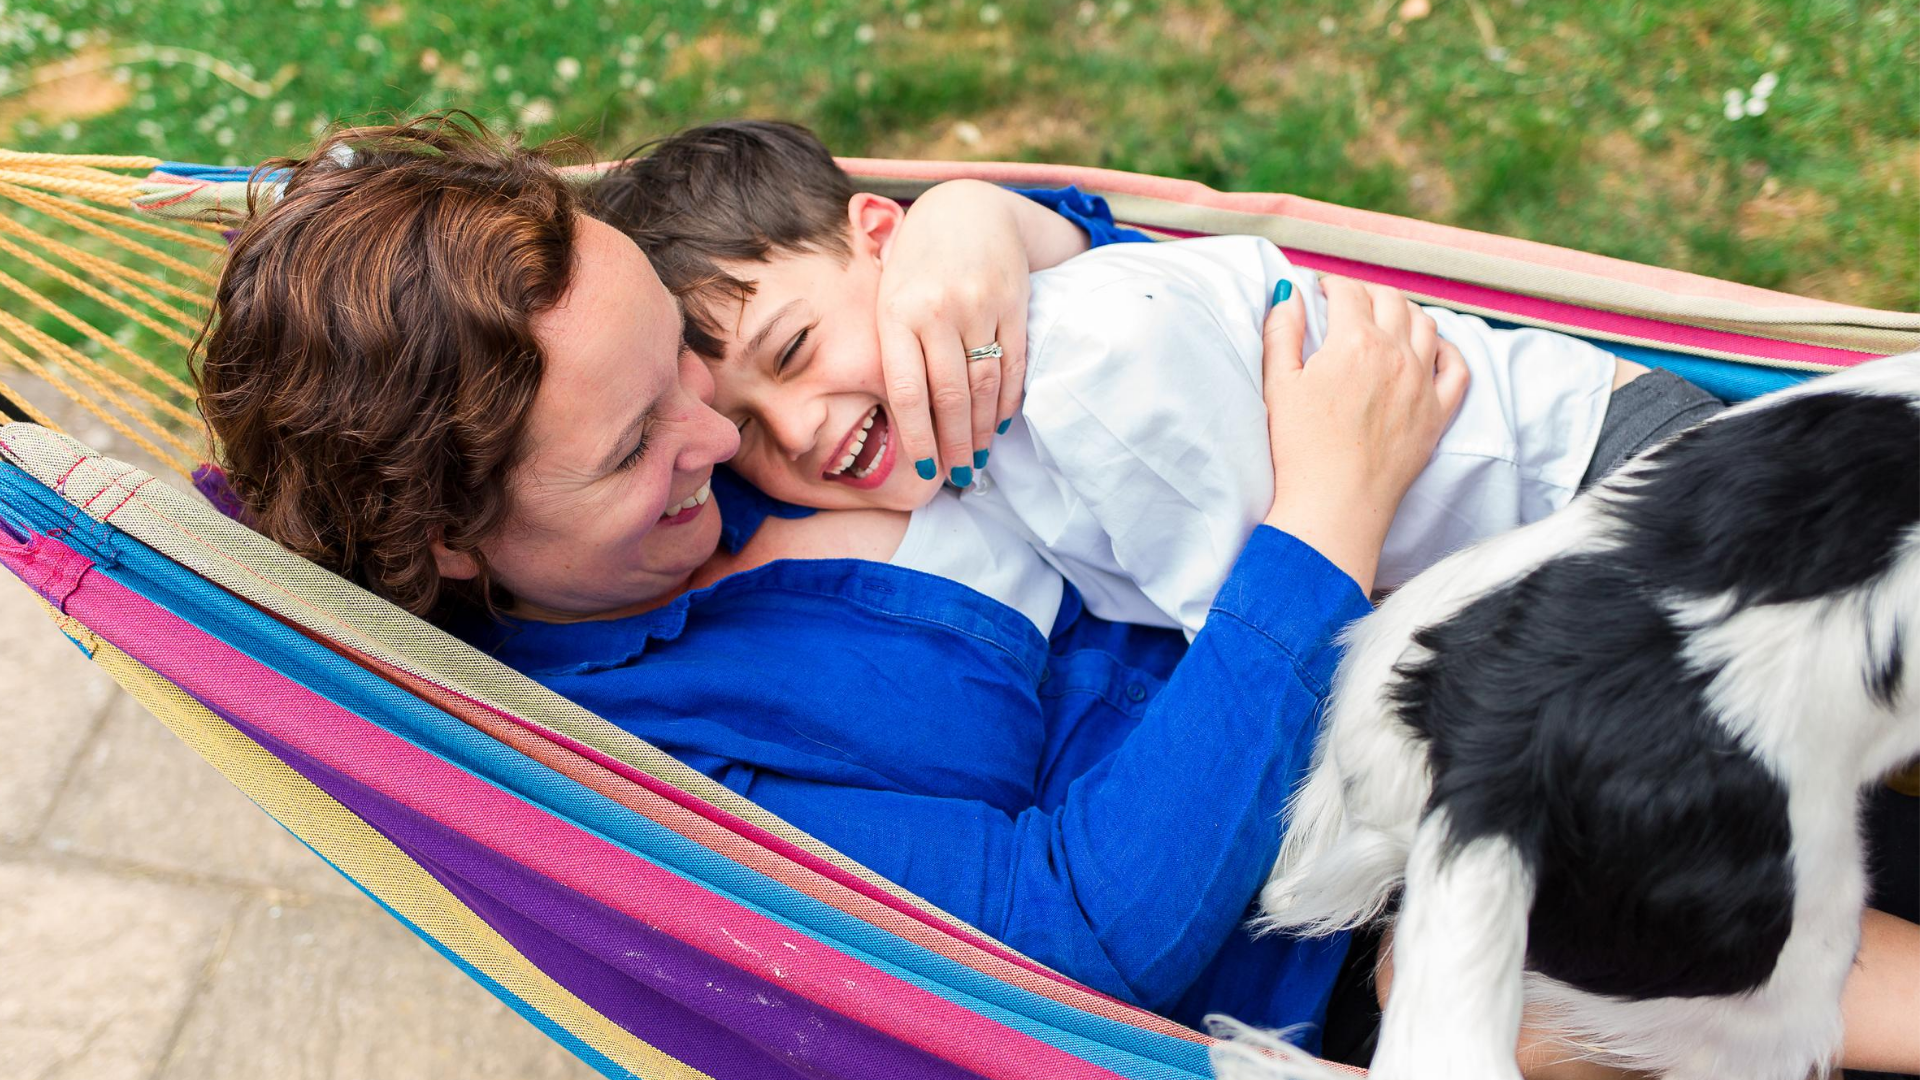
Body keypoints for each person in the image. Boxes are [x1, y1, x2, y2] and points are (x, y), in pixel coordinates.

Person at [194, 114, 1915, 1074]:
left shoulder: (756, 407)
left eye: (684, 366)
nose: (723, 435)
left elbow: (1068, 295)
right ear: (455, 544)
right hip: (1379, 906)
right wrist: (1323, 514)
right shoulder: (640, 759)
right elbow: (1074, 934)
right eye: (641, 440)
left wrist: (981, 225)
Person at [593, 121, 1731, 640]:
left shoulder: (1089, 377)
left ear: (889, 240)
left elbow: (1280, 645)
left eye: (793, 350)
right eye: (743, 430)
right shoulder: (958, 435)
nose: (795, 429)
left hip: (1614, 487)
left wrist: (978, 210)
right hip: (1533, 562)